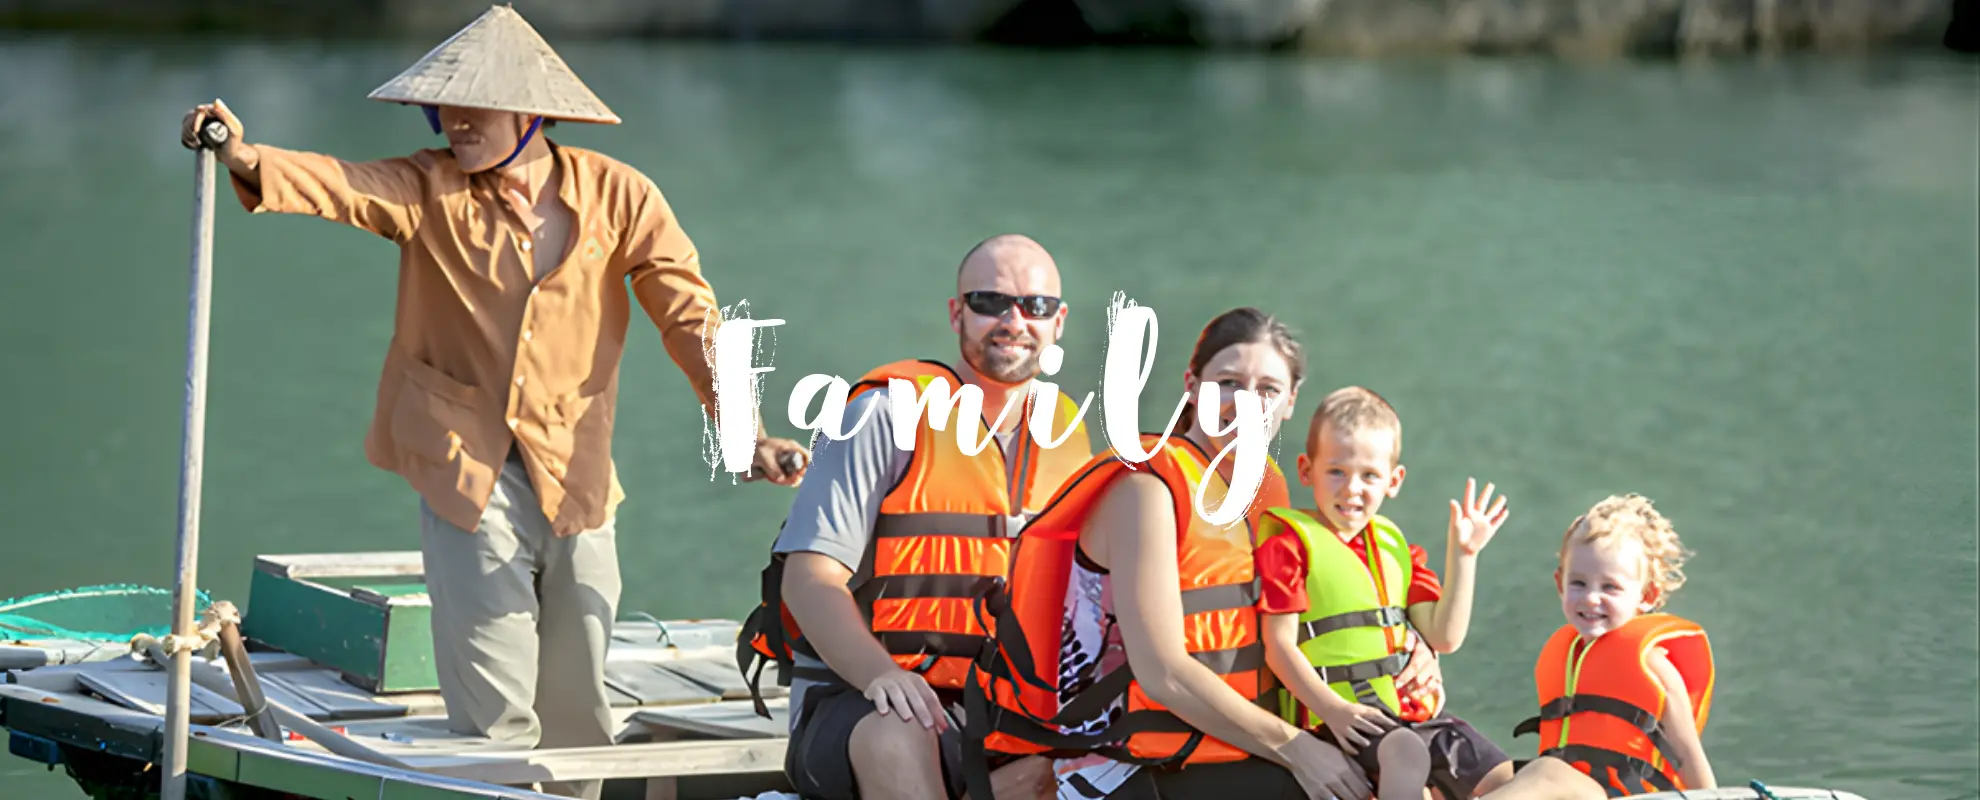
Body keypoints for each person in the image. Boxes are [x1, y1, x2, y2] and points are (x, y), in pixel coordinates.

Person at [176, 7, 809, 798]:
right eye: (444, 109)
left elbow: (693, 317)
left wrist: (746, 430)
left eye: (475, 109)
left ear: (532, 116)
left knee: (580, 697)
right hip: (462, 466)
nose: (456, 123)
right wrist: (242, 152)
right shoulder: (426, 187)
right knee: (496, 706)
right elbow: (340, 186)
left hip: (577, 466)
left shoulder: (621, 196)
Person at [745, 234, 1098, 800]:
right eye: (989, 302)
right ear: (958, 314)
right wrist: (883, 674)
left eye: (1034, 306)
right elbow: (810, 579)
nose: (1013, 321)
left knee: (1083, 758)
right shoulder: (882, 416)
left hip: (997, 715)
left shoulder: (1068, 440)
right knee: (904, 730)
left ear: (1058, 322)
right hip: (860, 702)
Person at [963, 307, 1369, 800]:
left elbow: (1306, 624)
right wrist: (1298, 749)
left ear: (1289, 403)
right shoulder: (1147, 490)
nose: (1245, 403)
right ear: (1192, 387)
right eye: (1227, 382)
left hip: (1233, 745)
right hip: (1125, 762)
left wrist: (1411, 653)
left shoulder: (1267, 494)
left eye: (1266, 389)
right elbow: (1162, 674)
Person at [1252, 387, 1516, 800]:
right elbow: (1279, 646)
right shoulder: (1290, 547)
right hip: (1339, 721)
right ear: (1306, 470)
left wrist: (1464, 555)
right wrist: (1333, 710)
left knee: (1508, 777)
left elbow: (1445, 636)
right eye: (1336, 471)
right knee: (1407, 753)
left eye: (1369, 475)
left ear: (1394, 481)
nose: (1352, 488)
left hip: (1414, 719)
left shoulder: (1397, 549)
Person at [1482, 495, 1716, 799]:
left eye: (1610, 587)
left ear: (1647, 595)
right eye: (1578, 583)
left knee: (1545, 772)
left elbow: (1689, 756)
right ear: (1560, 584)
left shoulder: (1654, 666)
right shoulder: (1568, 654)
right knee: (1491, 774)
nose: (1591, 598)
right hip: (1571, 787)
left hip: (1625, 794)